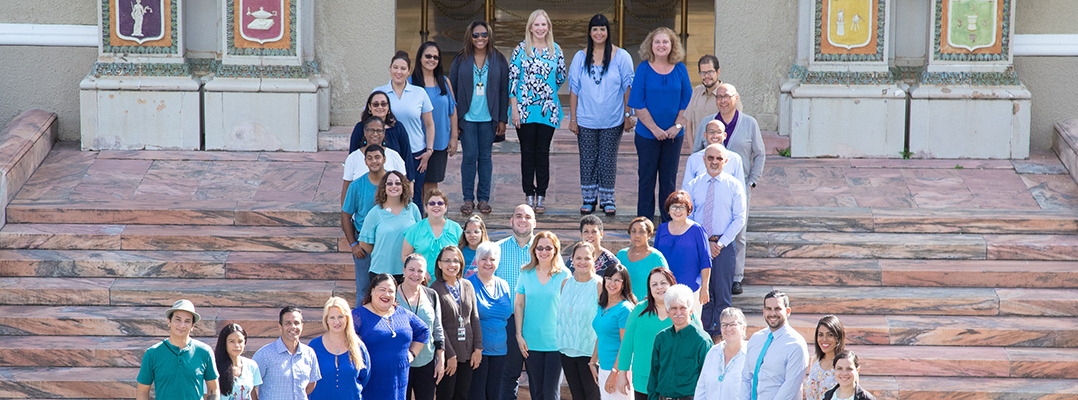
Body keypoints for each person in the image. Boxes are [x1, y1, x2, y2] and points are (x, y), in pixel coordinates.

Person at [693, 83, 765, 295]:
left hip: (740, 188)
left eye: (727, 96)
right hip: (710, 185)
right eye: (719, 96)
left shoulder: (749, 123)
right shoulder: (707, 123)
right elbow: (697, 151)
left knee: (738, 232)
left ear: (736, 98)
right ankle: (707, 271)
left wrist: (752, 180)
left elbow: (760, 154)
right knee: (708, 227)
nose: (723, 100)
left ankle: (735, 277)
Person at [568, 13, 635, 216]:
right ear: (590, 32)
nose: (599, 33)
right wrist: (572, 118)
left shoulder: (621, 56)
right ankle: (589, 199)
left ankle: (608, 200)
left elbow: (627, 87)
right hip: (586, 119)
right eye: (595, 29)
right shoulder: (581, 57)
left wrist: (627, 115)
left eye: (603, 29)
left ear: (608, 31)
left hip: (612, 120)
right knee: (587, 159)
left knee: (607, 160)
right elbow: (574, 89)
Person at [628, 27, 692, 222]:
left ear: (672, 45)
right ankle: (644, 225)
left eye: (665, 42)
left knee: (668, 182)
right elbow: (638, 103)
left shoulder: (680, 68)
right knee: (646, 180)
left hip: (674, 137)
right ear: (651, 45)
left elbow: (687, 102)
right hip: (647, 136)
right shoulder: (644, 69)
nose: (661, 45)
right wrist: (655, 129)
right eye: (657, 42)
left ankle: (668, 224)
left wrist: (677, 127)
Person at [509, 9, 567, 214]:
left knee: (542, 152)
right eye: (537, 24)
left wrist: (545, 92)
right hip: (524, 110)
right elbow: (513, 80)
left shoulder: (556, 49)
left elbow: (560, 76)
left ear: (548, 27)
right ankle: (528, 194)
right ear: (530, 27)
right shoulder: (521, 49)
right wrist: (514, 108)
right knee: (527, 152)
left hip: (547, 109)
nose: (540, 28)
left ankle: (541, 194)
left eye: (544, 24)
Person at [686, 144, 746, 340]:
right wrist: (704, 243)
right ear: (704, 159)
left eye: (719, 159)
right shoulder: (694, 185)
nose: (714, 162)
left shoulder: (734, 185)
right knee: (702, 294)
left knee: (722, 295)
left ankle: (723, 337)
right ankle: (703, 337)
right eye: (710, 158)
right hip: (698, 247)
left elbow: (739, 218)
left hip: (724, 247)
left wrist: (719, 244)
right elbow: (690, 216)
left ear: (725, 161)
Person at [449, 20, 509, 215]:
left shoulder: (498, 59)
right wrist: (455, 120)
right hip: (466, 118)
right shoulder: (460, 59)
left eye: (484, 34)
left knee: (485, 158)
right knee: (469, 157)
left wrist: (502, 119)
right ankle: (468, 199)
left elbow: (503, 90)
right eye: (476, 35)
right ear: (470, 37)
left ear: (489, 36)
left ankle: (483, 199)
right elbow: (453, 91)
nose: (480, 38)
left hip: (488, 118)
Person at [611, 267, 697, 400]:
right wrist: (622, 374)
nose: (659, 287)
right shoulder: (639, 310)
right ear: (649, 289)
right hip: (643, 380)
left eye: (663, 283)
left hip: (678, 381)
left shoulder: (686, 311)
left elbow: (700, 343)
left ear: (671, 284)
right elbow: (627, 345)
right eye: (654, 284)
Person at [374, 51, 437, 209]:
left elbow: (429, 124)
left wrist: (429, 150)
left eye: (403, 68)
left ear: (409, 71)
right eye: (395, 67)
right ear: (390, 68)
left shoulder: (419, 93)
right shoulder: (379, 93)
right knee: (387, 196)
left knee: (413, 198)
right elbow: (369, 122)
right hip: (387, 152)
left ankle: (415, 232)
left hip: (416, 154)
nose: (398, 72)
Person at [354, 273, 430, 400]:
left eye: (391, 291)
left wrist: (412, 353)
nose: (386, 294)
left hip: (399, 382)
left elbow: (423, 331)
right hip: (371, 384)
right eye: (382, 290)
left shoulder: (403, 313)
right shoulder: (358, 316)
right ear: (372, 291)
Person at [514, 231, 571, 400]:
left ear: (555, 250)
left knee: (551, 393)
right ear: (534, 250)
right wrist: (519, 335)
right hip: (531, 342)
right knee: (537, 392)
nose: (544, 252)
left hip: (556, 342)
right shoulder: (525, 273)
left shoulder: (564, 275)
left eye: (548, 248)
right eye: (540, 248)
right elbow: (519, 304)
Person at [136, 299, 219, 400]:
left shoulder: (205, 352)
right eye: (178, 320)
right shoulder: (152, 353)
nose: (182, 325)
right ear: (169, 321)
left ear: (192, 326)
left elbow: (213, 388)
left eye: (187, 321)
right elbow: (142, 391)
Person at [496, 204, 537, 400]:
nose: (523, 220)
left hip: (537, 320)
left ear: (534, 222)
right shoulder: (496, 250)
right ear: (511, 220)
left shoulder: (545, 248)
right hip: (508, 321)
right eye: (518, 216)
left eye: (528, 217)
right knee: (508, 374)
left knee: (538, 376)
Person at [432, 246, 483, 400]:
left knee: (462, 395)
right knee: (445, 395)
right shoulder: (434, 289)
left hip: (468, 353)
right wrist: (450, 355)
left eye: (456, 261)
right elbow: (437, 325)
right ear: (439, 264)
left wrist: (478, 348)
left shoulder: (467, 285)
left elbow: (474, 317)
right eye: (447, 261)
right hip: (448, 354)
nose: (451, 264)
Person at [740, 290, 809, 400]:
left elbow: (790, 387)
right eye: (768, 309)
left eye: (777, 309)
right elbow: (746, 377)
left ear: (788, 311)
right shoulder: (755, 338)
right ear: (764, 311)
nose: (772, 313)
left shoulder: (796, 344)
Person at [466, 242, 514, 400]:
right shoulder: (468, 285)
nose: (488, 263)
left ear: (498, 262)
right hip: (477, 352)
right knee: (477, 395)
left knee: (495, 395)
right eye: (483, 259)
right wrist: (476, 349)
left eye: (492, 259)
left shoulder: (504, 285)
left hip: (501, 351)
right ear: (477, 261)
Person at [648, 284, 712, 400]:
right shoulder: (661, 338)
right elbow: (654, 374)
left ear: (691, 311)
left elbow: (708, 379)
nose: (678, 312)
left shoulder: (702, 340)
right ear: (668, 312)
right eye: (673, 308)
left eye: (683, 308)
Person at [410, 41, 458, 196]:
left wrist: (454, 137)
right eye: (428, 56)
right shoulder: (410, 83)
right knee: (415, 181)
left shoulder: (444, 81)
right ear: (420, 58)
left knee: (432, 181)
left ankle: (430, 217)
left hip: (439, 141)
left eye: (435, 57)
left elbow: (452, 110)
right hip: (417, 141)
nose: (432, 60)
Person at [343, 143, 389, 300]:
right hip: (364, 245)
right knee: (364, 290)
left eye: (377, 157)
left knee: (389, 287)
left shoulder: (395, 183)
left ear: (384, 159)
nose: (374, 161)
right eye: (370, 158)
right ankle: (359, 324)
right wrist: (353, 244)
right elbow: (345, 216)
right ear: (365, 161)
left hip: (389, 244)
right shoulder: (356, 186)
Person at [358, 170, 422, 282]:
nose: (394, 186)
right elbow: (364, 243)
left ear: (403, 187)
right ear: (384, 187)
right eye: (390, 183)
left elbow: (419, 239)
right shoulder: (375, 212)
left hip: (408, 271)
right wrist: (382, 254)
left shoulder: (413, 209)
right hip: (380, 271)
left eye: (398, 183)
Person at [397, 254, 445, 400]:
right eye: (411, 269)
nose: (415, 274)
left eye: (420, 271)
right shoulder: (392, 295)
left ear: (425, 274)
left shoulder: (432, 295)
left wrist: (441, 359)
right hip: (400, 361)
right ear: (404, 270)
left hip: (426, 360)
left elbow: (437, 329)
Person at [558, 242, 603, 400]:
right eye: (578, 258)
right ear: (572, 259)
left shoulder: (599, 285)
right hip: (567, 350)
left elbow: (604, 322)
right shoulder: (565, 283)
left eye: (586, 258)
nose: (582, 262)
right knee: (577, 396)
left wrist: (595, 358)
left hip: (590, 353)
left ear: (594, 259)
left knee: (593, 397)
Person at [653, 191, 712, 310]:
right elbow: (656, 258)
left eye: (681, 207)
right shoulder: (662, 229)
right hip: (665, 289)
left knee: (691, 324)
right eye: (674, 207)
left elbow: (706, 260)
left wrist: (705, 287)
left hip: (691, 288)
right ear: (668, 210)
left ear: (688, 210)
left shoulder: (697, 230)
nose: (677, 211)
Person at [252, 307, 321, 400]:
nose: (293, 327)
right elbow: (250, 384)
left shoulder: (309, 353)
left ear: (302, 326)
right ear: (280, 327)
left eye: (296, 323)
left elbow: (311, 384)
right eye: (288, 323)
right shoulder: (264, 354)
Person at [309, 297, 370, 400]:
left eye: (340, 317)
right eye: (332, 317)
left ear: (347, 318)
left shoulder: (358, 346)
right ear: (326, 320)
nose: (336, 322)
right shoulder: (314, 346)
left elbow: (365, 377)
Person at [591, 264, 636, 400]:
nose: (612, 283)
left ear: (624, 284)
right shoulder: (603, 305)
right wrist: (593, 361)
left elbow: (625, 344)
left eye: (617, 280)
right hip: (604, 368)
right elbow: (601, 335)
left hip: (618, 371)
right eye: (609, 278)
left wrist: (615, 373)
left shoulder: (625, 309)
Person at [342, 114, 408, 203]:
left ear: (384, 133)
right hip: (361, 215)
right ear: (365, 132)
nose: (375, 134)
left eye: (379, 130)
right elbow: (346, 190)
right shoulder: (353, 158)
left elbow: (404, 187)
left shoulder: (394, 156)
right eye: (371, 130)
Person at [401, 188, 463, 279]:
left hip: (449, 282)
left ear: (445, 207)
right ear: (426, 208)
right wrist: (419, 271)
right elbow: (405, 255)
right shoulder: (414, 230)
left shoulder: (456, 228)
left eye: (440, 203)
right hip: (422, 283)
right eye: (432, 203)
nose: (436, 206)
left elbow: (461, 255)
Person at [349, 91, 412, 178]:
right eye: (376, 104)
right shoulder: (360, 128)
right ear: (369, 107)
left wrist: (410, 181)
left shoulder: (398, 127)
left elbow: (406, 155)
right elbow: (353, 154)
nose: (380, 107)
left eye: (383, 104)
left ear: (388, 107)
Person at [694, 307, 748, 400]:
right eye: (724, 325)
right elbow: (701, 389)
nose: (728, 328)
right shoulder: (713, 352)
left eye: (733, 324)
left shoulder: (750, 354)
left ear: (743, 327)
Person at [616, 216, 668, 302]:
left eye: (641, 231)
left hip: (647, 308)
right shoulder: (621, 255)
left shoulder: (657, 257)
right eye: (633, 231)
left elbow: (666, 284)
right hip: (624, 307)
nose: (637, 235)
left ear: (649, 235)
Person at [681, 120, 744, 190]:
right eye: (711, 132)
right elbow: (686, 189)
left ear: (724, 135)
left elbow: (740, 189)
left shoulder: (735, 158)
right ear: (705, 135)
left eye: (719, 132)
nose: (715, 135)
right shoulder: (694, 159)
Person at [683, 55, 722, 148]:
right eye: (703, 73)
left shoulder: (727, 94)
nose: (706, 76)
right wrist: (693, 152)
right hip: (698, 153)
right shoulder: (696, 91)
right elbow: (689, 123)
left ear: (718, 72)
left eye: (710, 72)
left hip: (718, 156)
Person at [215, 323, 260, 400]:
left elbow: (252, 393)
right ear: (224, 343)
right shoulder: (214, 366)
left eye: (240, 341)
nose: (236, 345)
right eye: (232, 341)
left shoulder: (251, 365)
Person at [807, 315, 847, 400]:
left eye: (830, 335)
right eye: (820, 335)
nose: (824, 339)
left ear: (838, 337)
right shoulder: (815, 360)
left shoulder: (845, 362)